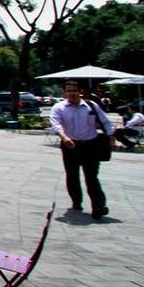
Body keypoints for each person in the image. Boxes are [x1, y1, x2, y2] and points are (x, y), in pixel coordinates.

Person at [50, 80, 115, 219]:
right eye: (68, 91)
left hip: (91, 145)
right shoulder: (59, 108)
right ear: (64, 92)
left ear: (80, 91)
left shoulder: (91, 106)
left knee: (91, 177)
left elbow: (105, 121)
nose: (72, 93)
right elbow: (56, 124)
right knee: (72, 175)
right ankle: (76, 202)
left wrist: (111, 136)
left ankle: (99, 206)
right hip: (70, 146)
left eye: (74, 90)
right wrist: (64, 137)